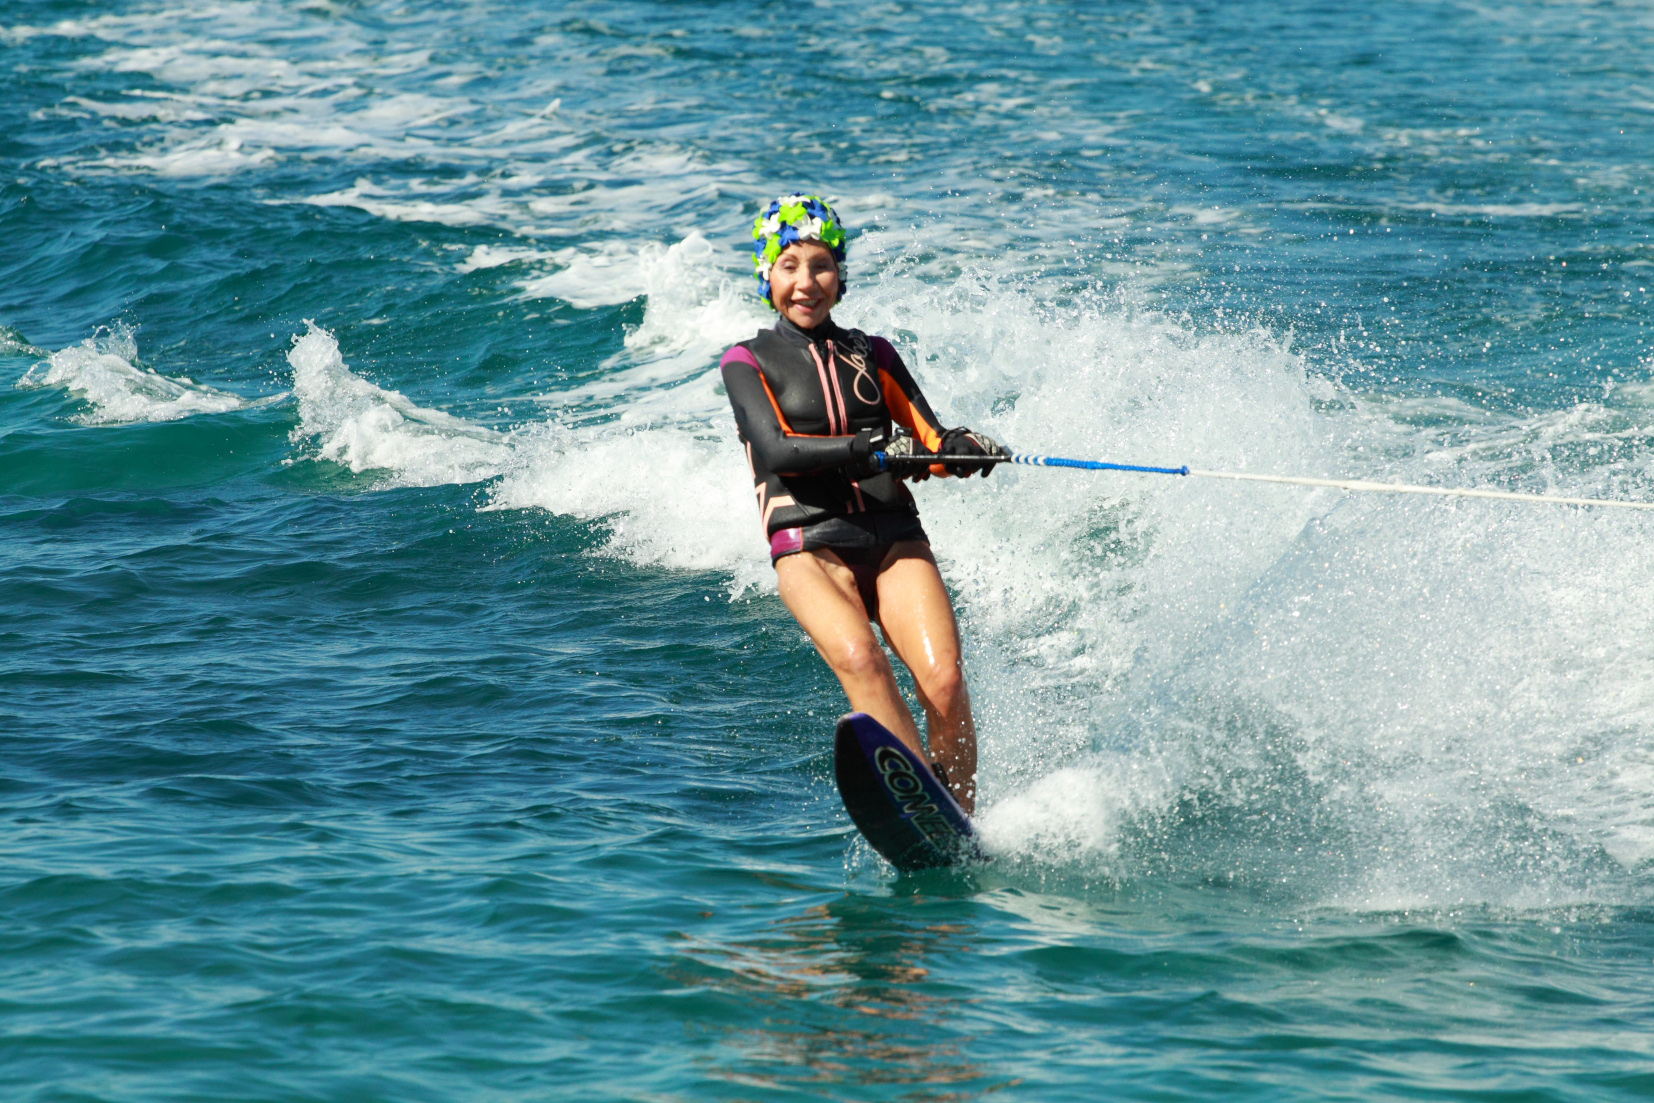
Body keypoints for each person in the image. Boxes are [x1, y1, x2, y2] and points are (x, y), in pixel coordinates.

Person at [719, 194, 1006, 814]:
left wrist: (961, 448)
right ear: (766, 276)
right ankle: (924, 807)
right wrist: (868, 447)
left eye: (821, 265)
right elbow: (778, 450)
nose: (806, 282)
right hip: (809, 542)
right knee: (860, 659)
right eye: (788, 265)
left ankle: (962, 820)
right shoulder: (745, 361)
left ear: (840, 276)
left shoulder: (873, 353)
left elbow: (928, 445)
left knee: (947, 684)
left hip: (893, 536)